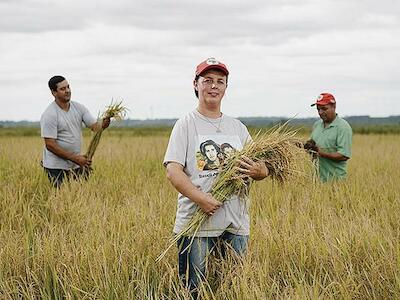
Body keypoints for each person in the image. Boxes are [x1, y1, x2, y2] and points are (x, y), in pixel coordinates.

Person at [163, 58, 269, 295]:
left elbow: (261, 167)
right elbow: (173, 170)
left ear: (226, 88)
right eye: (207, 80)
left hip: (236, 223)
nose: (214, 86)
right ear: (195, 84)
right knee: (194, 291)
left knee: (232, 290)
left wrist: (259, 171)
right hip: (197, 225)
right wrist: (201, 198)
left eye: (220, 81)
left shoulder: (237, 127)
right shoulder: (186, 124)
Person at [40, 75, 110, 188]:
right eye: (62, 89)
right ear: (53, 92)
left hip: (76, 165)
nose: (67, 91)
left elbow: (94, 127)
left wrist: (103, 124)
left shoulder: (79, 108)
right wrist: (76, 158)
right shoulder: (50, 114)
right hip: (56, 167)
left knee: (81, 196)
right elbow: (50, 145)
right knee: (61, 199)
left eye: (68, 87)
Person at [309, 92, 352, 182]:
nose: (320, 112)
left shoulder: (342, 127)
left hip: (335, 181)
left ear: (334, 107)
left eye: (324, 109)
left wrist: (322, 153)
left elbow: (344, 155)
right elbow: (312, 145)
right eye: (318, 109)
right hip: (316, 181)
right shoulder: (317, 125)